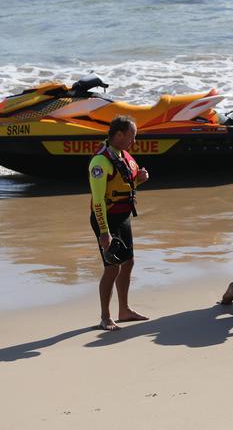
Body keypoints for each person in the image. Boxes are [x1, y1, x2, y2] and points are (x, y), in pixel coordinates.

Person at [89, 116, 150, 331]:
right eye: (132, 136)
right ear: (120, 134)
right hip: (105, 220)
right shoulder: (99, 162)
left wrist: (139, 179)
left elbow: (126, 186)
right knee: (111, 268)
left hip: (123, 217)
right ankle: (105, 317)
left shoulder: (123, 155)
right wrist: (104, 233)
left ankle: (124, 310)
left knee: (129, 262)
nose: (134, 141)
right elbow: (98, 201)